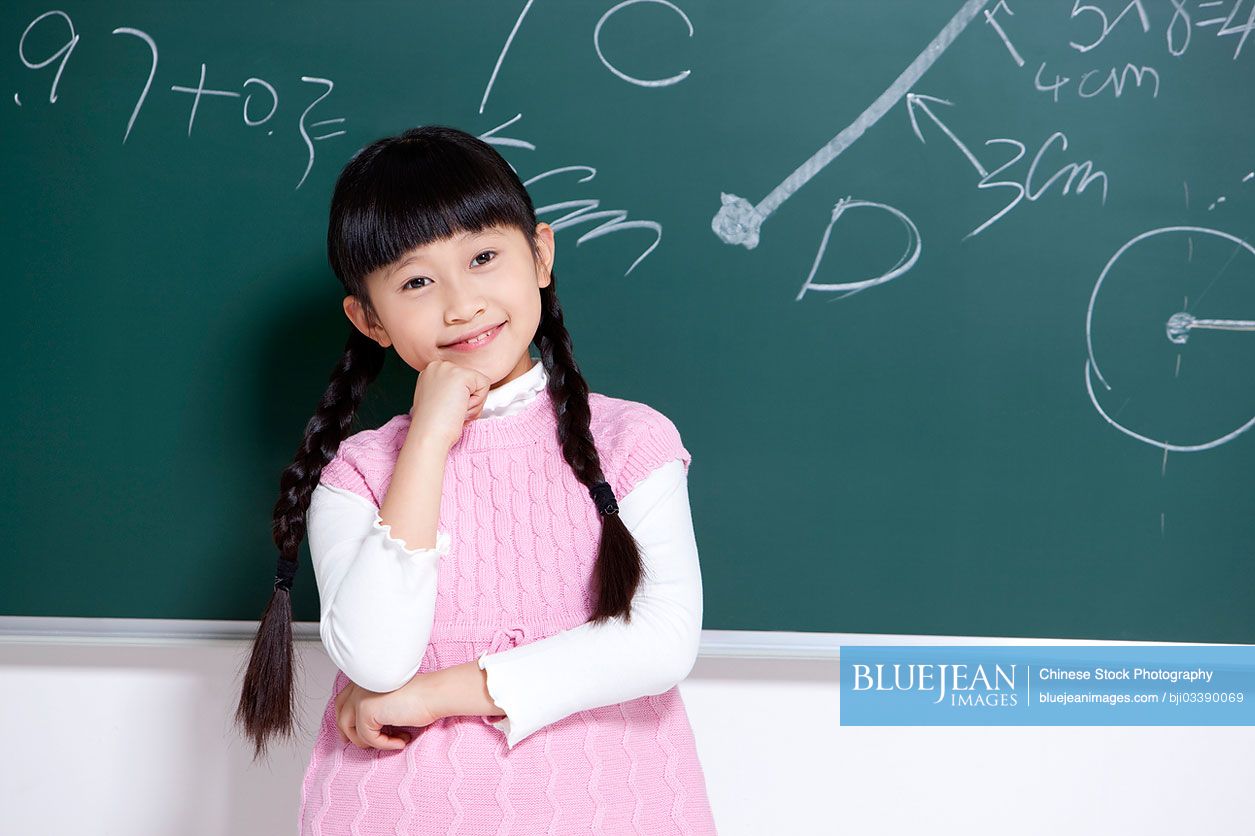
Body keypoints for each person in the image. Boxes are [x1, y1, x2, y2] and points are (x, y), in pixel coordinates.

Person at [234, 124, 718, 833]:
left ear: (541, 254)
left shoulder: (630, 442)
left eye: (484, 256)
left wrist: (435, 696)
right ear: (368, 318)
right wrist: (427, 439)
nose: (460, 304)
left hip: (612, 808)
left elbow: (659, 642)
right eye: (417, 281)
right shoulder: (358, 475)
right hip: (399, 814)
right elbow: (376, 656)